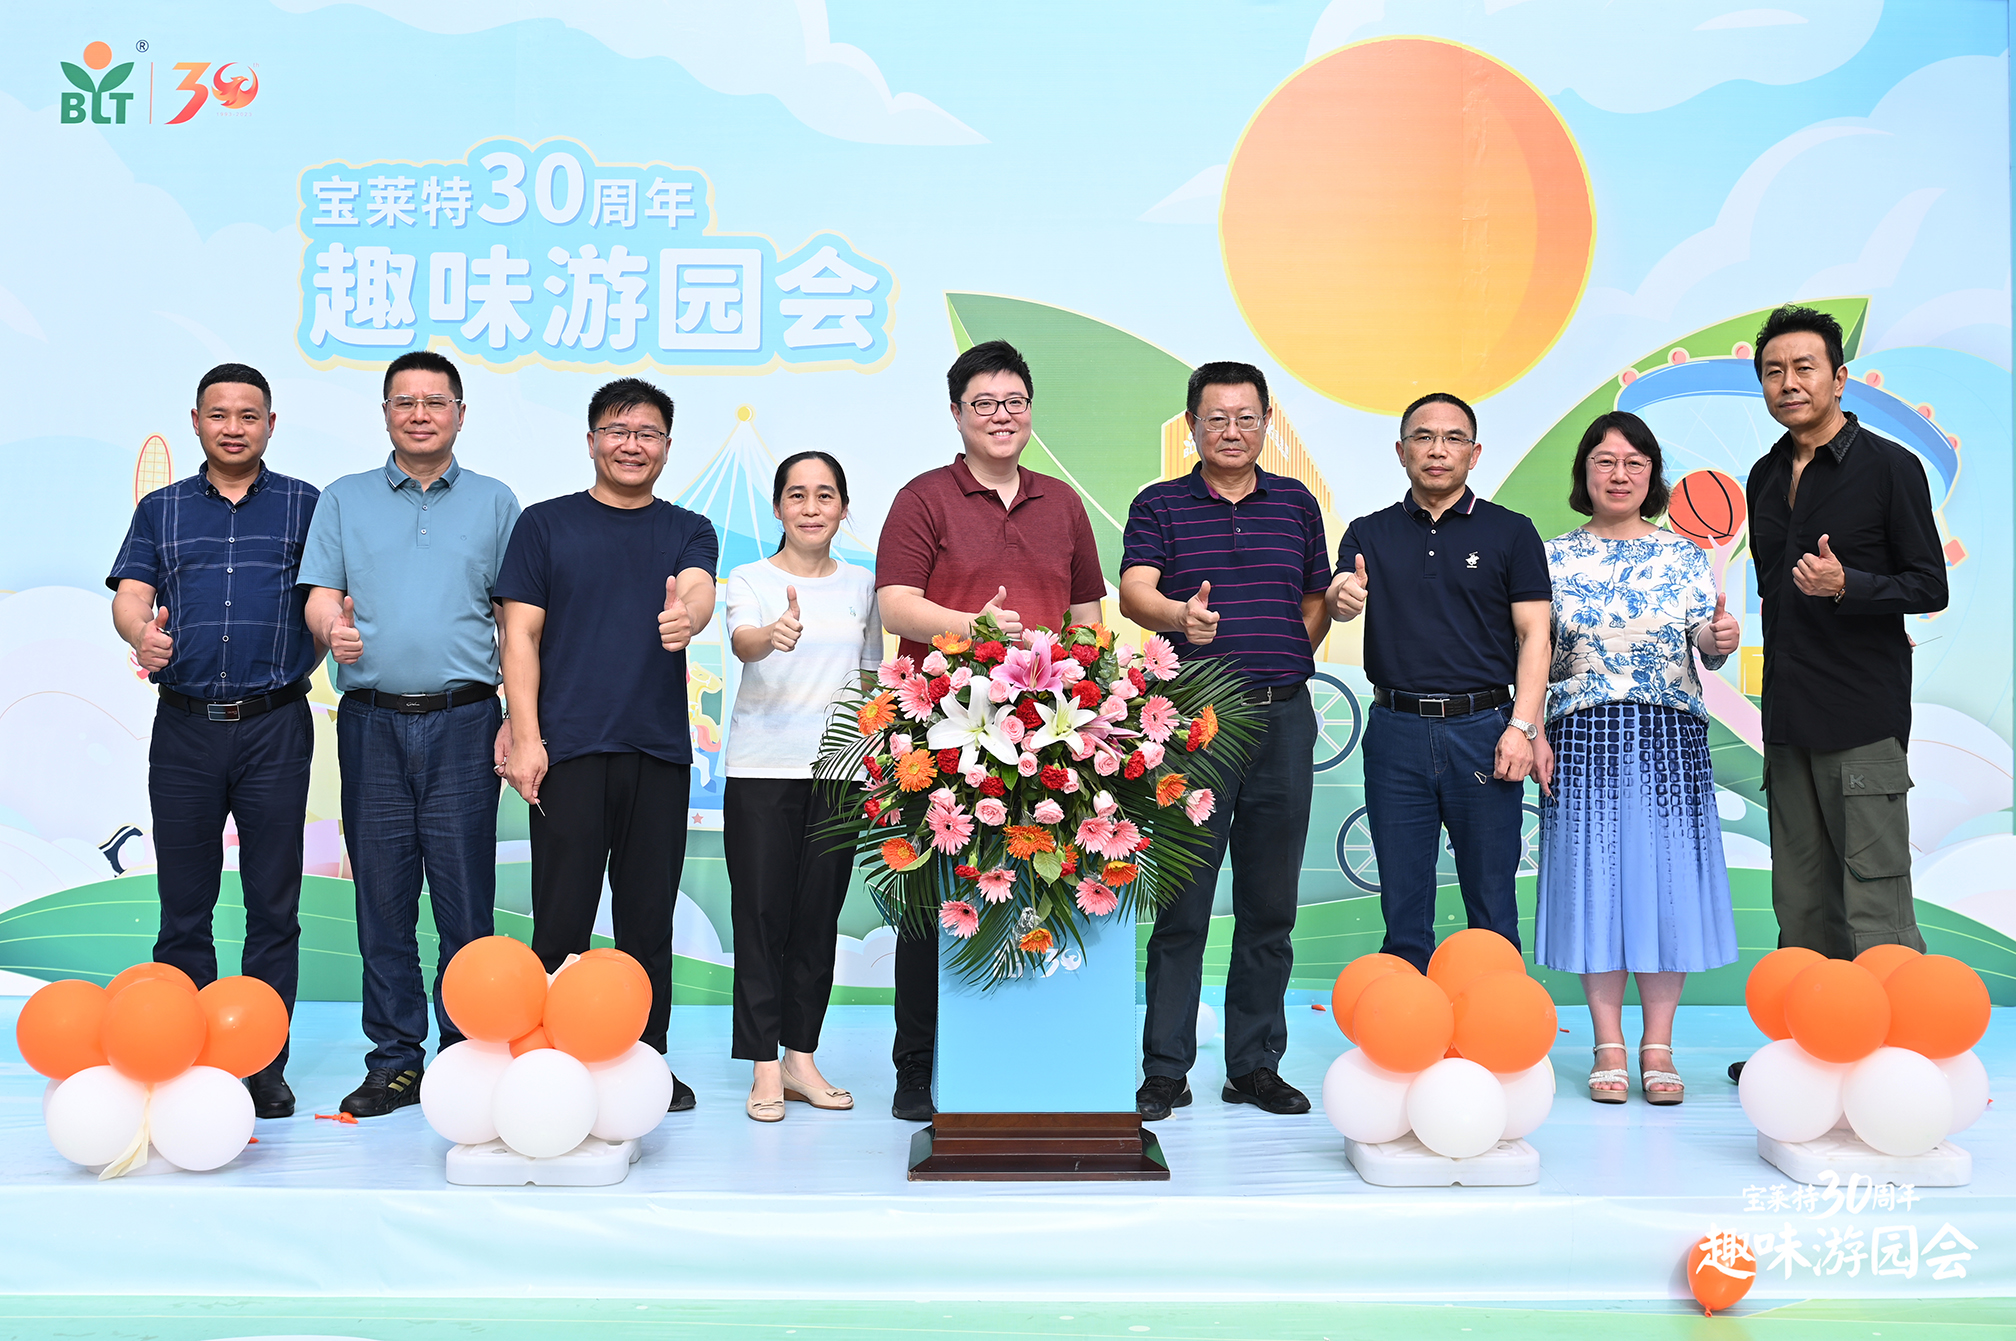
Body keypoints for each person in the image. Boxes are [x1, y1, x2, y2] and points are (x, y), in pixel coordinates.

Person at [874, 339, 1106, 1121]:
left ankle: (1023, 1049)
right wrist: (969, 626)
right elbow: (896, 603)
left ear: (1030, 410)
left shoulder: (1063, 503)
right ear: (956, 413)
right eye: (984, 404)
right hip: (941, 728)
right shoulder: (923, 498)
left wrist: (1091, 688)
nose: (1001, 416)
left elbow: (1087, 617)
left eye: (1014, 402)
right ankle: (917, 1063)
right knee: (930, 893)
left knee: (1039, 886)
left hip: (1048, 731)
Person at [298, 351, 521, 1116]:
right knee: (383, 900)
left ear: (460, 412)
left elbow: (515, 621)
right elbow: (321, 596)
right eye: (404, 401)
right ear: (386, 412)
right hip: (371, 722)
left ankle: (467, 1053)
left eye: (435, 401)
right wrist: (331, 629)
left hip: (466, 721)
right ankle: (395, 1059)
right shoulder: (344, 498)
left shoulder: (495, 502)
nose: (420, 414)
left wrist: (520, 721)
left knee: (466, 902)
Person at [495, 377, 717, 1110]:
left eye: (647, 433)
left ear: (667, 447)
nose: (632, 445)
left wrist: (687, 617)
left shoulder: (688, 528)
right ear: (591, 441)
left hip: (658, 752)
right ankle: (547, 1060)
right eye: (618, 431)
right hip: (568, 751)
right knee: (561, 917)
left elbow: (698, 590)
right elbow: (519, 636)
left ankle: (644, 1062)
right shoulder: (544, 525)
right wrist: (527, 737)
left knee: (646, 922)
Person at [107, 363, 319, 1119]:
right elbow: (132, 597)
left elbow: (327, 600)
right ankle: (185, 1057)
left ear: (270, 424)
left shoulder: (306, 505)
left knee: (274, 905)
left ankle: (261, 1060)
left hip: (275, 726)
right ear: (196, 421)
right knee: (184, 906)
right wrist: (141, 636)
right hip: (185, 729)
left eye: (249, 415)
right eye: (219, 414)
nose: (234, 427)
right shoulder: (160, 509)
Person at [1119, 362, 1331, 1121]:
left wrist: (1285, 658)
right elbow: (1134, 592)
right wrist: (1179, 617)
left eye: (1246, 417)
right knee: (1182, 905)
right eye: (1216, 418)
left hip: (1283, 720)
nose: (1232, 431)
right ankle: (1165, 1069)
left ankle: (1254, 1065)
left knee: (1270, 906)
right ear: (1192, 425)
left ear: (1267, 422)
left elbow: (1315, 599)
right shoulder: (1160, 503)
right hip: (1194, 723)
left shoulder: (1296, 503)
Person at [1535, 412, 1740, 1105]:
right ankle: (1607, 1043)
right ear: (1584, 472)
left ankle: (1658, 1044)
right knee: (1594, 887)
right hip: (1580, 736)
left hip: (1669, 739)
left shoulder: (1684, 556)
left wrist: (1720, 638)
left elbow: (1705, 642)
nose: (1619, 474)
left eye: (1634, 462)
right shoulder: (1550, 557)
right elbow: (1532, 653)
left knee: (1666, 889)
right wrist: (1531, 730)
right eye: (1605, 461)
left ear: (1652, 476)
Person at [1745, 305, 1948, 960]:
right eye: (1773, 371)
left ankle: (1890, 1026)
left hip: (1860, 716)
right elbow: (1776, 594)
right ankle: (1810, 1026)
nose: (1788, 383)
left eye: (1804, 367)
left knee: (1872, 903)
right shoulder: (1763, 476)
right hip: (1787, 721)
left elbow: (1929, 586)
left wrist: (1848, 585)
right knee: (1800, 903)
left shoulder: (1891, 468)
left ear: (1838, 378)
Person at [1327, 392, 1551, 972]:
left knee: (1493, 903)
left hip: (1485, 730)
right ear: (1401, 451)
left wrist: (1522, 728)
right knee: (1403, 907)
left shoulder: (1511, 532)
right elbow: (1341, 595)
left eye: (1453, 438)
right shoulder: (1368, 533)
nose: (1437, 449)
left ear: (1474, 454)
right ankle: (1408, 1020)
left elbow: (1536, 635)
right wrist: (1342, 597)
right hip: (1395, 731)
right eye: (1423, 437)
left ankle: (1496, 1018)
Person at [723, 452, 880, 1122]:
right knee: (762, 918)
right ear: (778, 508)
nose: (811, 508)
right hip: (762, 771)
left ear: (843, 506)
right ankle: (763, 1065)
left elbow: (870, 677)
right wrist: (773, 634)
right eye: (797, 495)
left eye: (824, 495)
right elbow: (743, 643)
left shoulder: (864, 585)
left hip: (840, 773)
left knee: (818, 920)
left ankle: (800, 1058)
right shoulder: (750, 577)